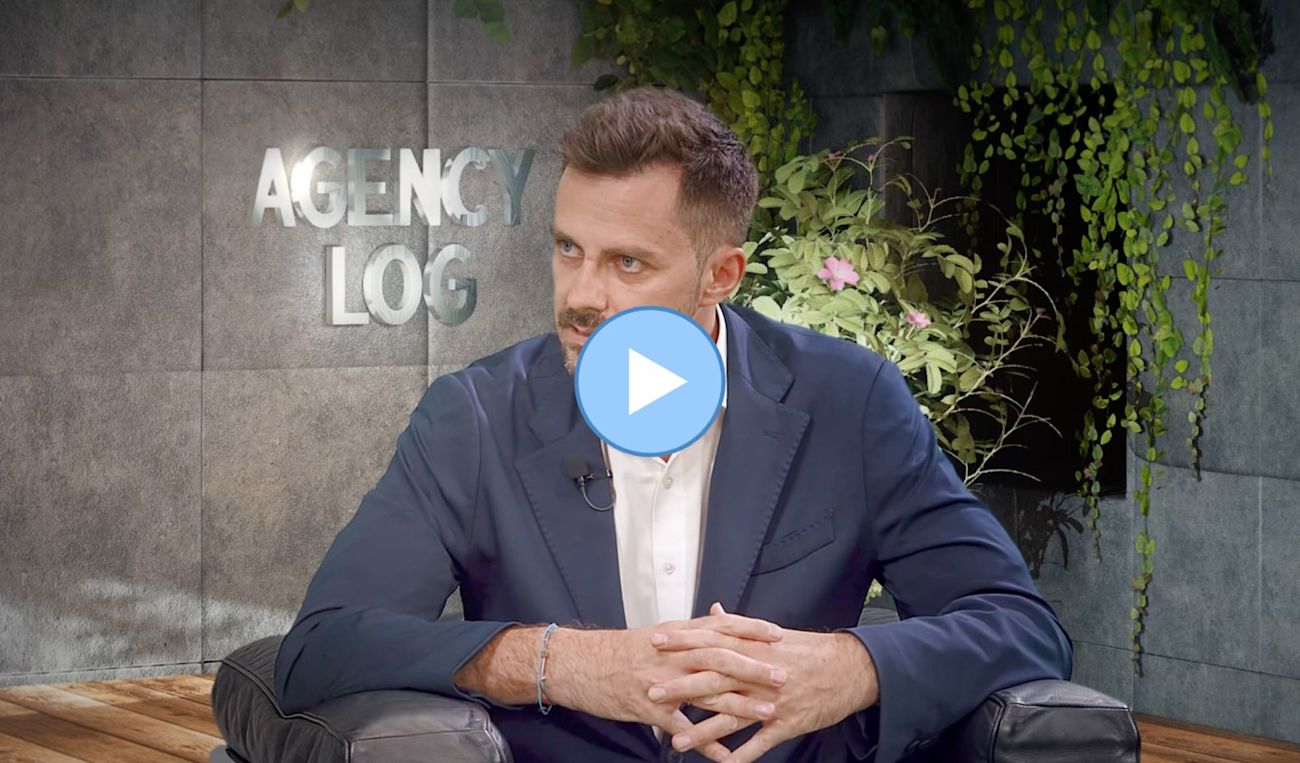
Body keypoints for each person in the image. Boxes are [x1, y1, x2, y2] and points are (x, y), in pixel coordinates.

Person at [273, 86, 1072, 763]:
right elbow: (324, 645)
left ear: (720, 274)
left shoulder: (850, 401)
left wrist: (848, 666)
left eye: (627, 263)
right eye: (568, 248)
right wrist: (558, 661)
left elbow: (1021, 627)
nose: (581, 296)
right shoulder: (474, 416)